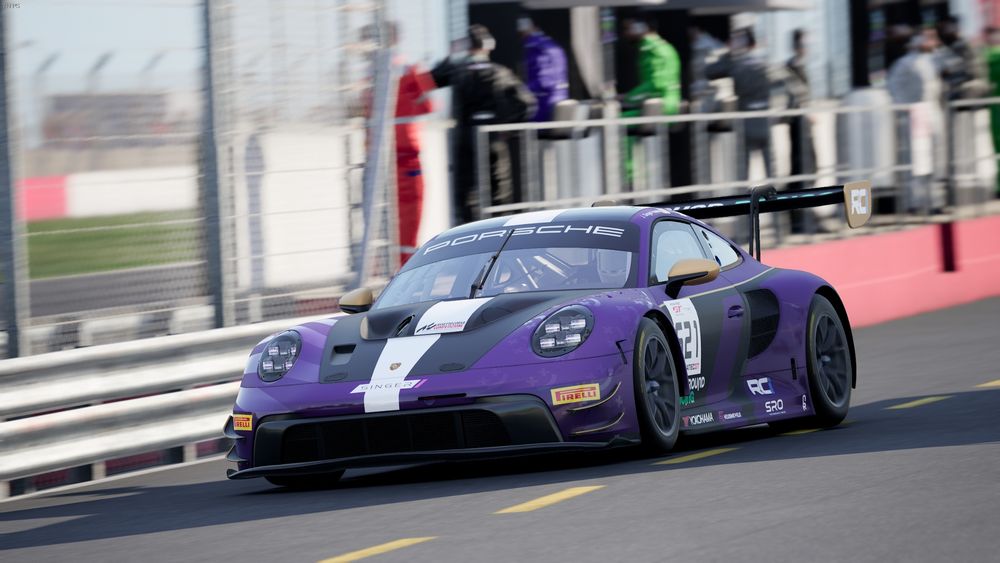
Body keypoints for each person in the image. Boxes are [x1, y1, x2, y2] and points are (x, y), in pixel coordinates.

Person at [430, 25, 536, 224]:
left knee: (465, 194)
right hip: (493, 139)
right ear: (487, 47)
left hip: (464, 139)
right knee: (499, 192)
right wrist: (507, 129)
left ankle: (467, 236)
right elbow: (526, 103)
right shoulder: (499, 72)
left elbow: (432, 79)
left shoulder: (458, 71)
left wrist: (451, 56)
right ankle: (500, 235)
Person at [361, 23, 436, 264]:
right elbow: (428, 105)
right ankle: (401, 276)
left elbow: (427, 105)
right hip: (398, 157)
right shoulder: (405, 70)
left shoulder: (375, 75)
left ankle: (395, 277)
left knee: (390, 226)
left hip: (389, 158)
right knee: (401, 225)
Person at [887, 29, 945, 213]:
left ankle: (935, 202)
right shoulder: (903, 63)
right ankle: (914, 203)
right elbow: (893, 87)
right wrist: (905, 107)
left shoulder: (933, 61)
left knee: (935, 158)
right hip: (916, 115)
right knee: (915, 160)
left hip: (933, 112)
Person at [706, 27, 773, 181]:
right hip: (765, 119)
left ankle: (743, 200)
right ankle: (774, 198)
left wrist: (729, 53)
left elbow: (710, 72)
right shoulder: (764, 64)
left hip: (746, 121)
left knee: (743, 169)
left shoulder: (735, 64)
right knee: (769, 167)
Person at [622, 18, 681, 116]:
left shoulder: (653, 50)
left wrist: (628, 97)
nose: (625, 33)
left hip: (661, 109)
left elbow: (656, 84)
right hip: (665, 106)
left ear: (640, 28)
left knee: (609, 121)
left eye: (628, 29)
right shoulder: (660, 47)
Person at [518, 17, 569, 122]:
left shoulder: (533, 47)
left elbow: (543, 81)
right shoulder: (551, 44)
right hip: (559, 99)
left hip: (544, 105)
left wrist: (520, 90)